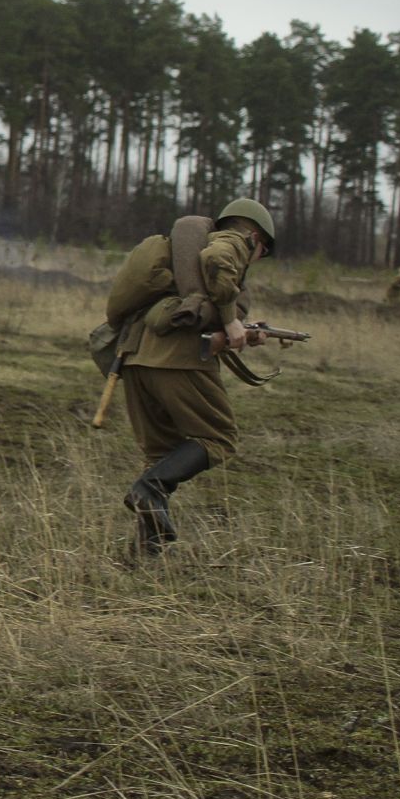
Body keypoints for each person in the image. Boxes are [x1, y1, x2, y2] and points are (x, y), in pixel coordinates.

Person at [114, 198, 275, 556]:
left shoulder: (179, 259)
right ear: (254, 235)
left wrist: (242, 331)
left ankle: (146, 555)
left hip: (136, 358)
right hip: (178, 360)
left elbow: (201, 312)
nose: (257, 257)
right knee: (219, 438)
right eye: (263, 249)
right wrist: (232, 319)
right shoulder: (234, 240)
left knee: (159, 453)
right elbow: (216, 263)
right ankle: (149, 490)